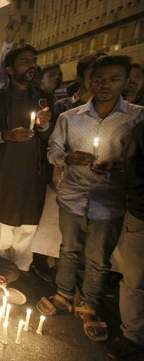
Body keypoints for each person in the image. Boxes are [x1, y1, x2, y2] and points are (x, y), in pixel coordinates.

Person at [36, 55, 144, 342]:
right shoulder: (70, 118)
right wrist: (67, 158)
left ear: (125, 81)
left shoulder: (137, 117)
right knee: (69, 249)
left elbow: (140, 160)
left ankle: (89, 304)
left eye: (113, 79)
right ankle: (63, 294)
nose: (105, 85)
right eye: (99, 79)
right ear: (89, 81)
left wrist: (117, 165)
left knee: (98, 257)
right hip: (73, 196)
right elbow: (53, 151)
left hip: (110, 202)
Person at [0, 44, 53, 274]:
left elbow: (50, 136)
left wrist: (44, 124)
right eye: (24, 61)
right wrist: (6, 135)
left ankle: (21, 275)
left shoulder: (42, 99)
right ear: (9, 70)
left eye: (33, 60)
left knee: (26, 229)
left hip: (31, 178)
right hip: (2, 177)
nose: (32, 65)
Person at [107, 120, 144, 359]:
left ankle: (133, 336)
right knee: (134, 277)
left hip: (140, 210)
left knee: (135, 279)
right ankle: (133, 334)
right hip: (141, 212)